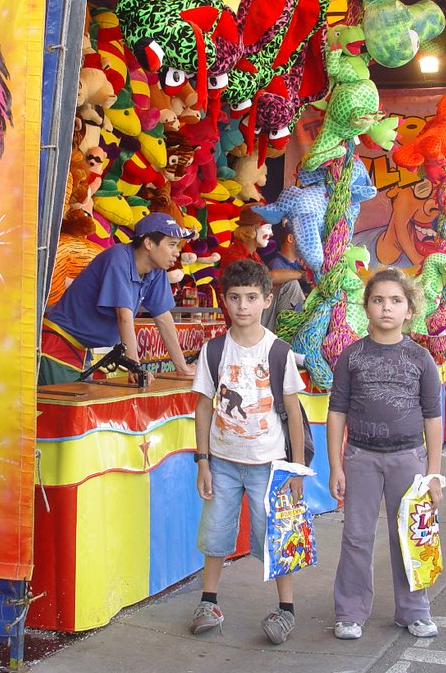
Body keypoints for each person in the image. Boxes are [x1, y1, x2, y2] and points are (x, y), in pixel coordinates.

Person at [189, 260, 307, 644]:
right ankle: (209, 602)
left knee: (277, 535)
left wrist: (296, 471)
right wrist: (203, 461)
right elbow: (204, 406)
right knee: (216, 535)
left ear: (266, 300)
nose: (243, 306)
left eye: (252, 298)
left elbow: (292, 411)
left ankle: (285, 610)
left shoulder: (279, 352)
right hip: (222, 463)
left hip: (268, 466)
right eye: (235, 298)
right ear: (224, 301)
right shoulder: (214, 350)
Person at [326, 268, 444, 641]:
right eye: (378, 300)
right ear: (367, 307)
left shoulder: (421, 358)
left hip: (409, 460)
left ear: (409, 310)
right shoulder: (351, 356)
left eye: (396, 301)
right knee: (357, 536)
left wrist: (434, 473)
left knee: (411, 535)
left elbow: (432, 416)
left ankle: (414, 609)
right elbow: (337, 411)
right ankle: (349, 611)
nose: (386, 308)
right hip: (360, 458)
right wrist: (335, 466)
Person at [39, 212, 198, 385]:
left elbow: (163, 316)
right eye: (172, 245)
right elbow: (124, 315)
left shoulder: (156, 270)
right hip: (58, 346)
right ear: (149, 243)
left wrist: (182, 367)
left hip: (81, 351)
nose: (177, 253)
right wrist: (135, 367)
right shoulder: (118, 257)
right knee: (64, 411)